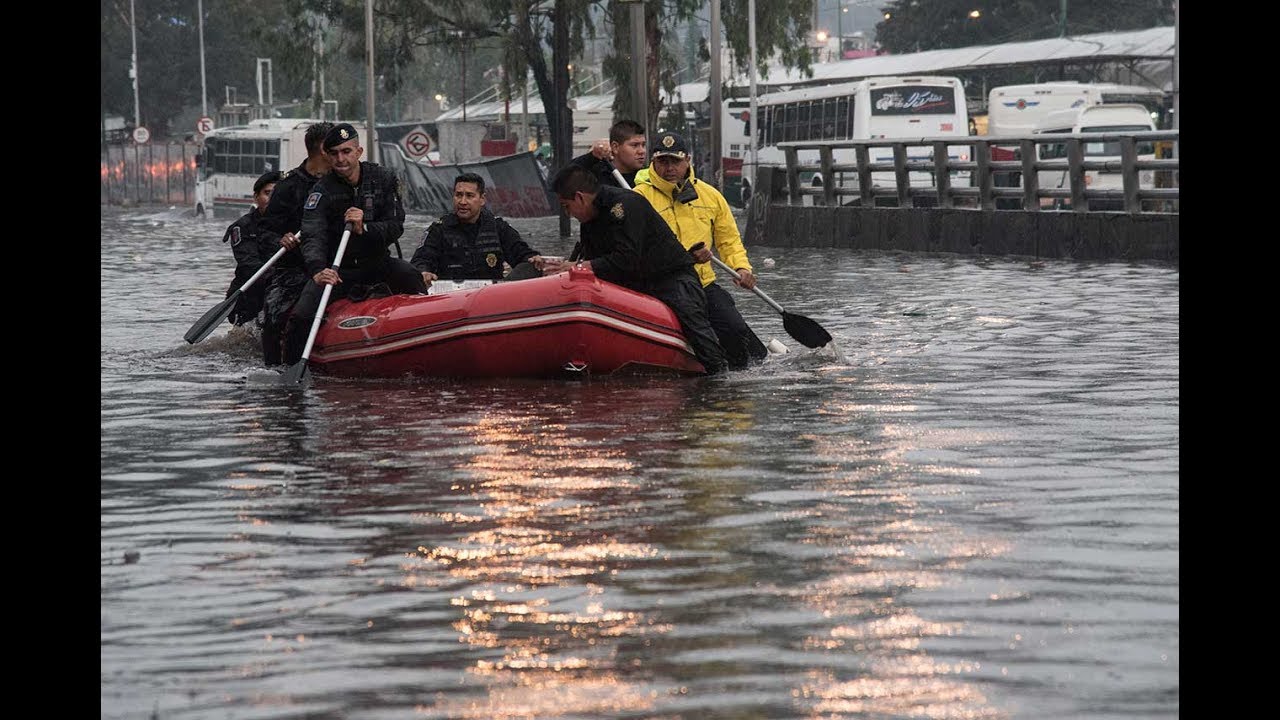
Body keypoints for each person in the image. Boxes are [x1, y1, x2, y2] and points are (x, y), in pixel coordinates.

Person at [543, 164, 726, 375]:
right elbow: (592, 259)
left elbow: (626, 259)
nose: (568, 213)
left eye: (567, 206)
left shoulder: (625, 205)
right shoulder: (590, 221)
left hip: (670, 278)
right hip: (633, 284)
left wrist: (580, 266)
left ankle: (718, 376)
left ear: (580, 197)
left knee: (696, 329)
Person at [288, 123, 427, 364]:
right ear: (328, 157)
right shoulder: (321, 191)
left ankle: (426, 343)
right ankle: (288, 368)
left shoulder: (383, 180)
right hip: (339, 270)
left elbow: (396, 226)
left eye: (346, 151)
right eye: (334, 153)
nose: (341, 159)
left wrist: (366, 229)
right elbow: (313, 233)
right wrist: (319, 269)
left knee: (410, 275)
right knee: (301, 316)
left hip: (377, 263)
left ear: (359, 152)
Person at [633, 132, 769, 370]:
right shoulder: (639, 198)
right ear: (652, 163)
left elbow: (728, 240)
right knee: (705, 342)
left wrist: (741, 268)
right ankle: (713, 373)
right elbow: (635, 250)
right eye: (663, 161)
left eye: (675, 161)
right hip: (663, 285)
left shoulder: (710, 196)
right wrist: (687, 257)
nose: (669, 168)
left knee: (736, 330)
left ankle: (738, 380)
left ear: (688, 160)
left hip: (703, 283)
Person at [257, 121, 333, 365]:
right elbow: (265, 231)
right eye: (334, 147)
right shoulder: (289, 186)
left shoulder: (342, 181)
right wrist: (281, 239)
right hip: (295, 268)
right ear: (322, 148)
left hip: (337, 263)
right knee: (274, 316)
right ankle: (275, 367)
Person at [411, 173, 546, 287]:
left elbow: (522, 253)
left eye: (469, 196)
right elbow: (421, 260)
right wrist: (424, 272)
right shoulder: (439, 229)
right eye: (458, 195)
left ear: (482, 199)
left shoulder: (498, 227)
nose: (462, 202)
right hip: (451, 297)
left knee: (533, 266)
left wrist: (533, 258)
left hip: (492, 297)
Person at [220, 170, 281, 328]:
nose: (272, 199)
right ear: (256, 197)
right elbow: (249, 265)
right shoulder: (243, 227)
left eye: (277, 194)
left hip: (281, 287)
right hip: (250, 293)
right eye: (267, 193)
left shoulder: (291, 224)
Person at [571, 119, 648, 189]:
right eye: (634, 145)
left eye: (643, 145)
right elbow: (565, 176)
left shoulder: (648, 178)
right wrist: (592, 156)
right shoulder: (596, 176)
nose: (641, 151)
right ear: (615, 147)